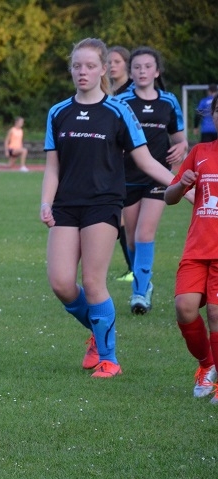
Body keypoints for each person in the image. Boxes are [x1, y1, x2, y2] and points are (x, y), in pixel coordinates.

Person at [40, 38, 177, 379]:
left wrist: (183, 186)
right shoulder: (58, 112)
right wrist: (46, 202)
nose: (82, 72)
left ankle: (109, 359)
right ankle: (98, 329)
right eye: (77, 66)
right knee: (61, 283)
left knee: (93, 281)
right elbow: (53, 168)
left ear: (103, 69)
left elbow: (146, 160)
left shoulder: (118, 110)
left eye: (90, 66)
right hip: (65, 205)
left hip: (103, 204)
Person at [116, 46, 186, 315]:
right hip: (127, 177)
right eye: (137, 67)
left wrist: (181, 147)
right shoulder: (121, 101)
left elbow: (179, 138)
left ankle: (140, 292)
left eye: (147, 67)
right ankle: (145, 283)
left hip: (158, 177)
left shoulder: (169, 101)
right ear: (130, 72)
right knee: (132, 239)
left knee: (145, 233)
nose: (142, 71)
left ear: (157, 72)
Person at [164, 96, 218, 401]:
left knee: (215, 313)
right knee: (184, 309)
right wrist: (182, 183)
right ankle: (207, 364)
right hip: (196, 249)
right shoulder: (199, 152)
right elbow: (169, 197)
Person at [108, 45, 135, 283]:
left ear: (127, 64)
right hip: (112, 164)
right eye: (108, 62)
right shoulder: (106, 92)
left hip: (134, 166)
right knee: (120, 219)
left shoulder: (134, 93)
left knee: (127, 221)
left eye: (116, 61)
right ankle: (133, 268)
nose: (111, 66)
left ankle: (136, 269)